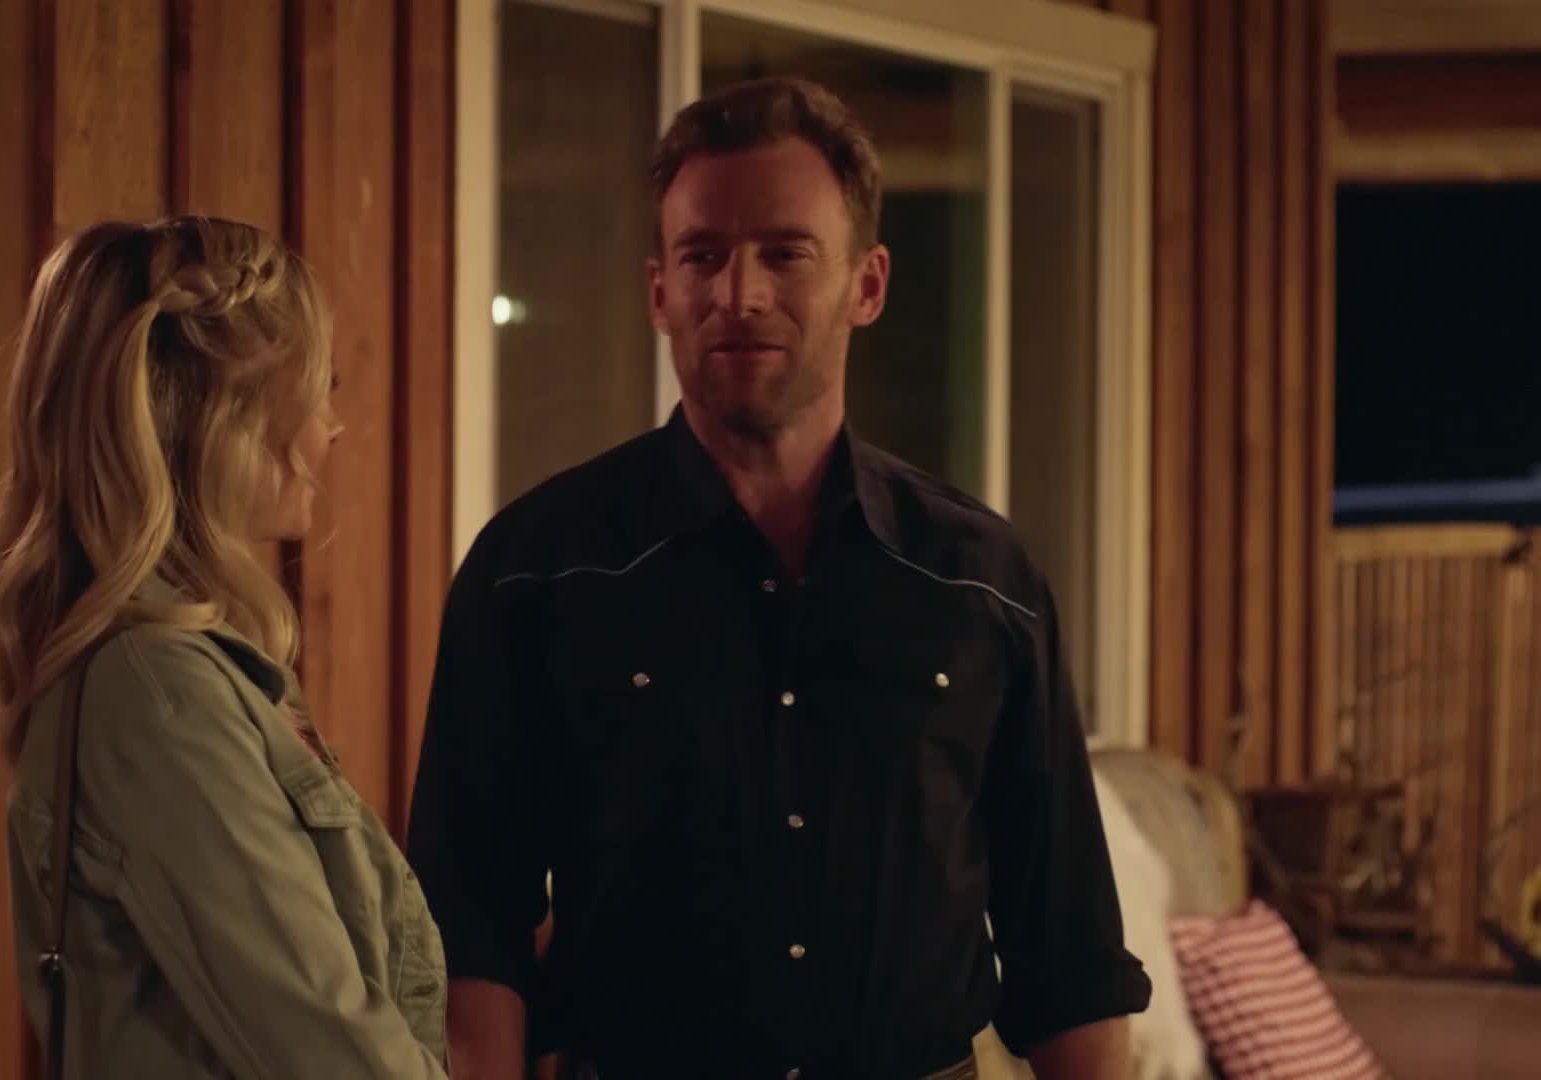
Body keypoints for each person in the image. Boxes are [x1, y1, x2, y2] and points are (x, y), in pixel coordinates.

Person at [406, 78, 1150, 1080]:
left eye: (786, 253)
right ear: (659, 290)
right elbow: (468, 927)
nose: (739, 294)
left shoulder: (980, 582)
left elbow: (1070, 958)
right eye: (703, 255)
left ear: (867, 286)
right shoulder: (536, 570)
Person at [0, 216, 449, 1079]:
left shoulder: (172, 673)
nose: (331, 428)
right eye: (315, 392)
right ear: (222, 421)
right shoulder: (159, 694)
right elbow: (328, 1044)